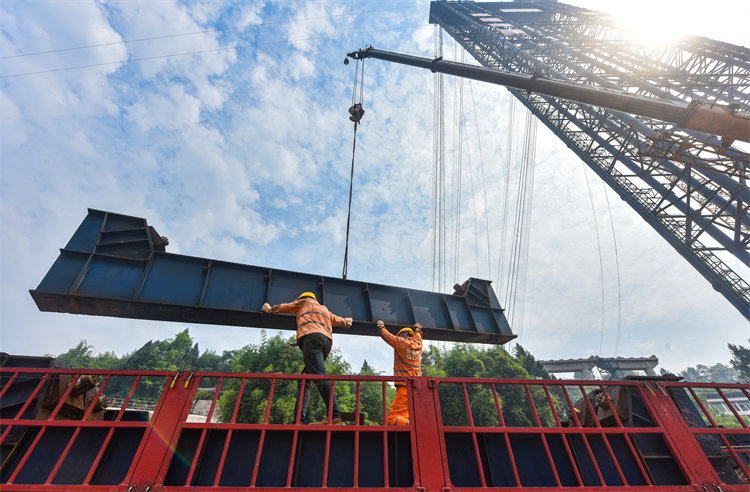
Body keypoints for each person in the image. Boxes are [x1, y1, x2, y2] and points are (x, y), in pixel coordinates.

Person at [262, 292, 352, 424]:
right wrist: (347, 321)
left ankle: (334, 415)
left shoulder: (303, 302)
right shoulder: (324, 309)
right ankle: (299, 419)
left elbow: (284, 307)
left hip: (312, 340)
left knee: (321, 376)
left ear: (303, 298)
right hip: (327, 342)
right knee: (304, 378)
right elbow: (340, 320)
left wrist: (269, 309)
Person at [376, 320, 423, 425]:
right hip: (417, 390)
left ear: (403, 335)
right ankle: (412, 429)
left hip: (404, 388)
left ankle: (414, 428)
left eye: (400, 336)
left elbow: (388, 337)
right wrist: (418, 329)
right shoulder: (419, 345)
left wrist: (381, 327)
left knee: (392, 419)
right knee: (405, 416)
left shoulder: (402, 343)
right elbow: (419, 336)